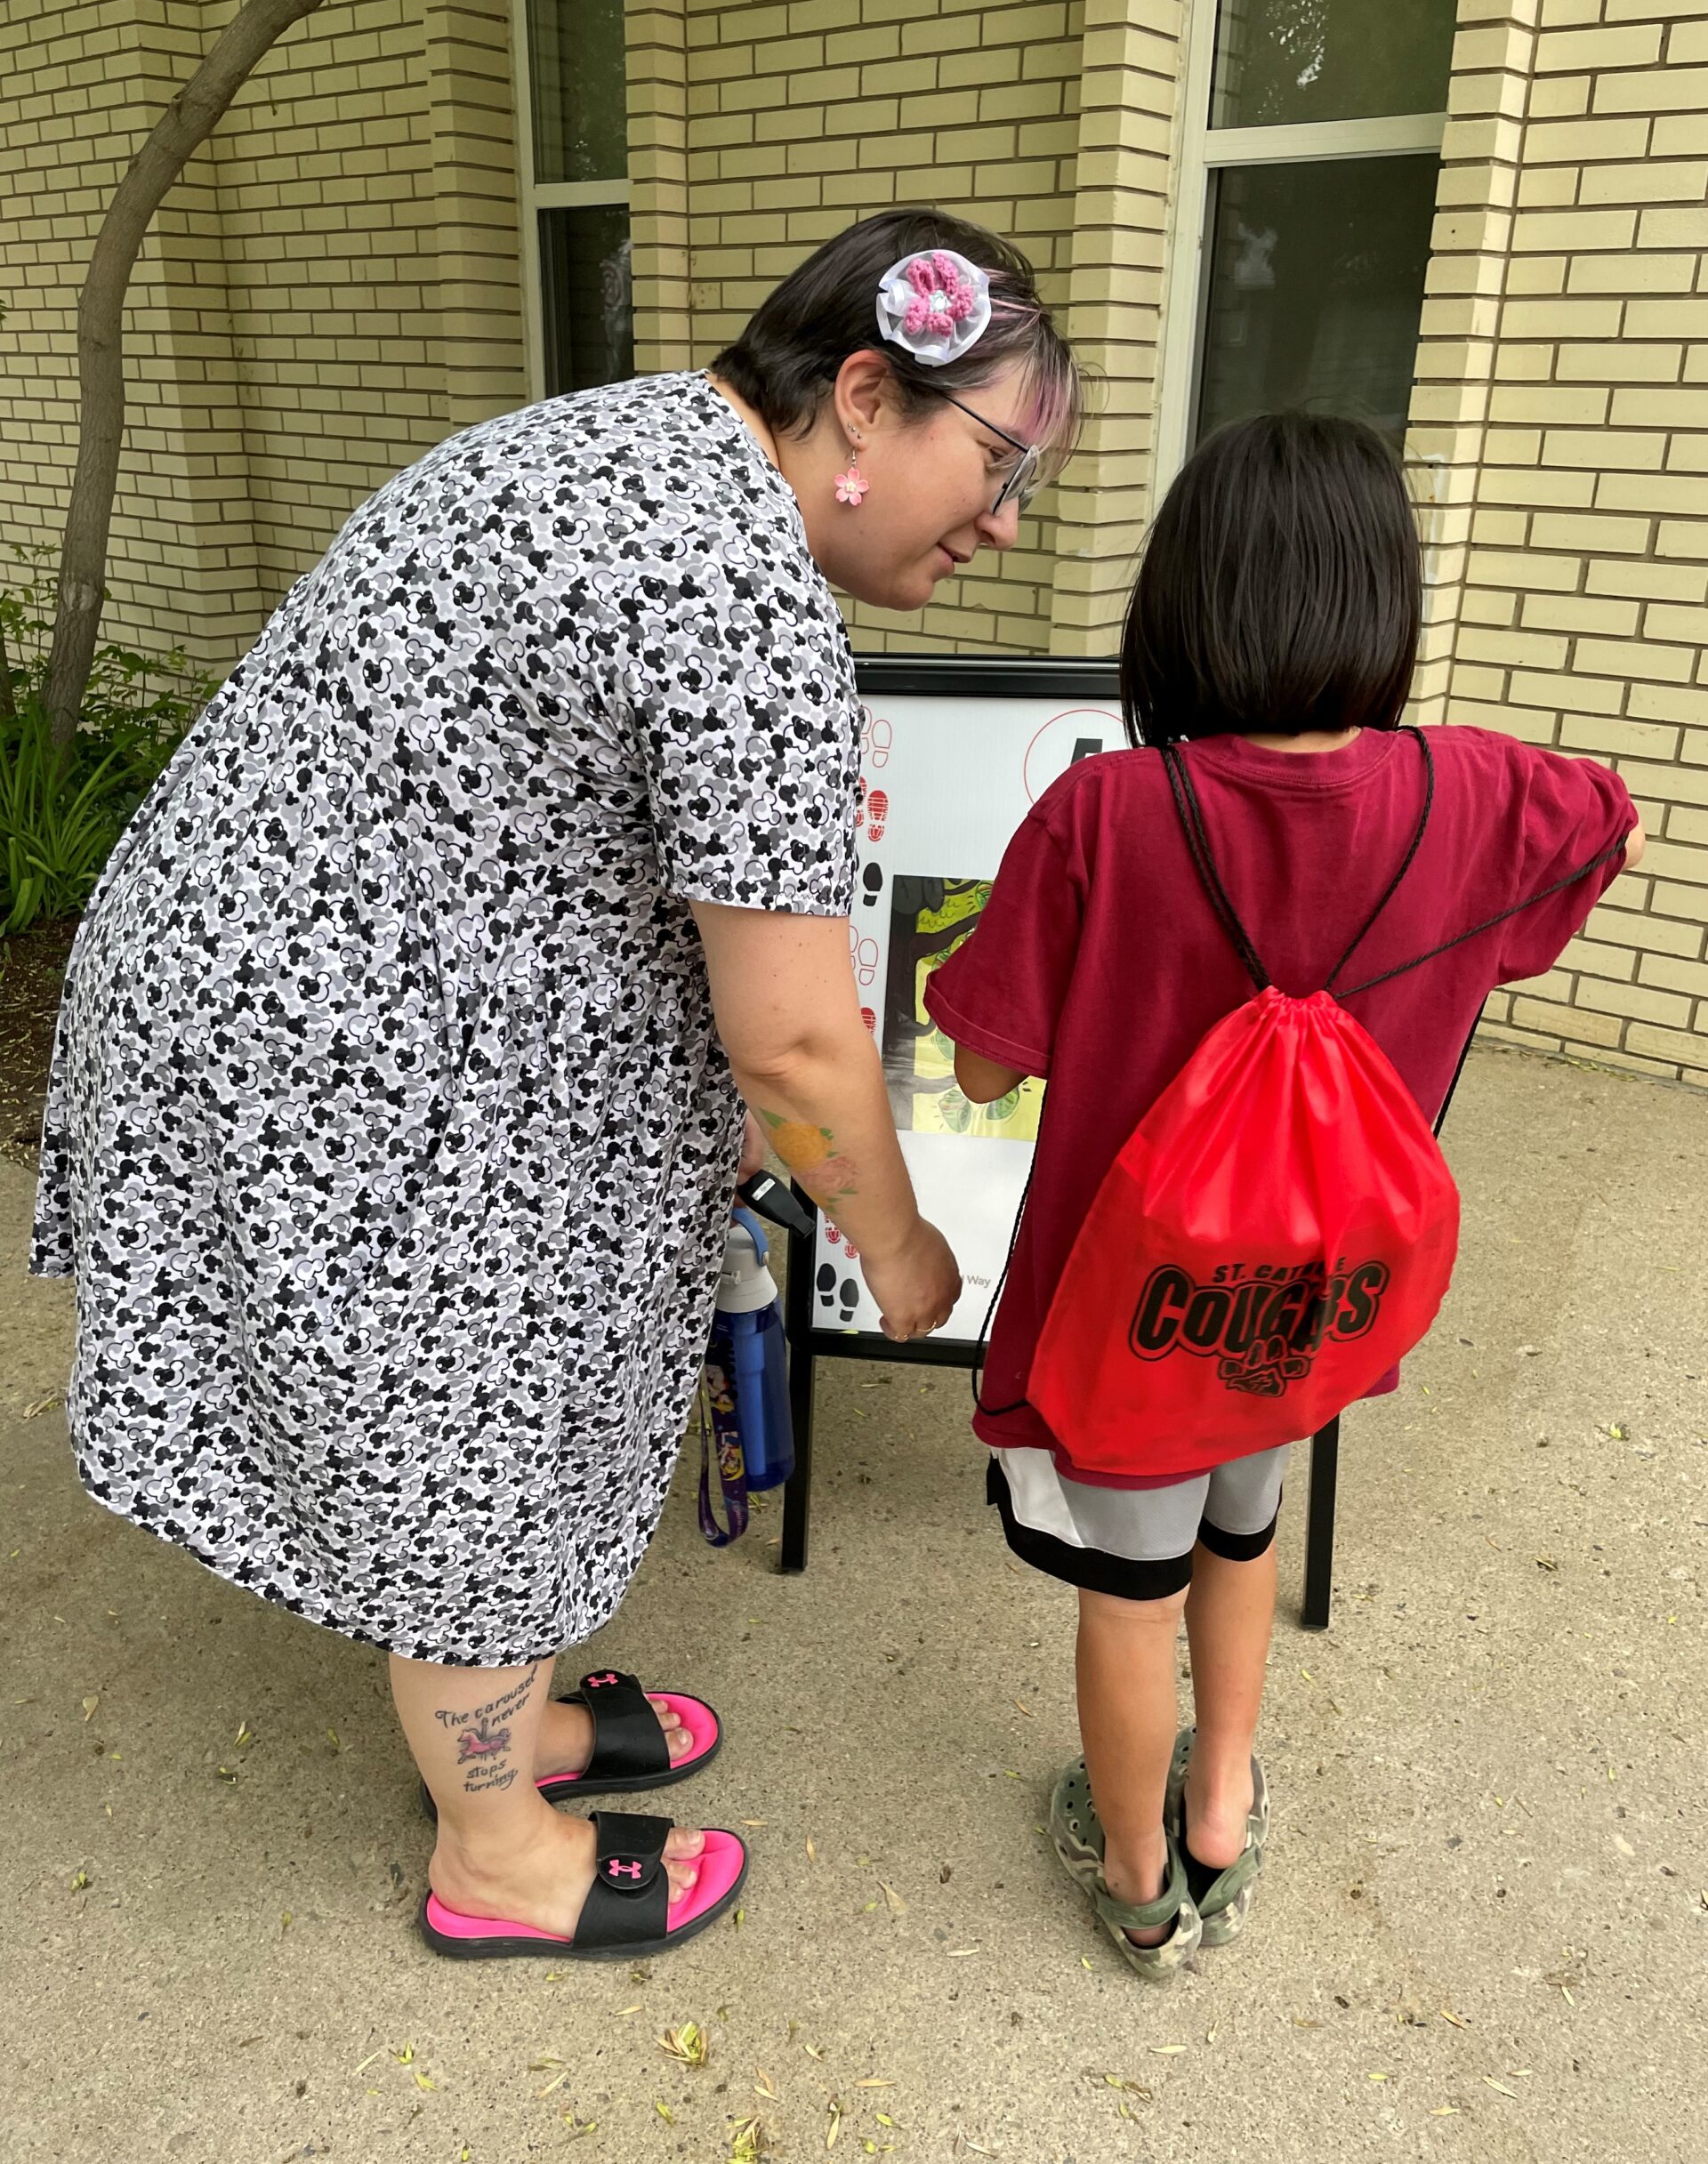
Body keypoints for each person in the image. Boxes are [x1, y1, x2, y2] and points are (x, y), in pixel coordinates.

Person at [29, 209, 1082, 1961]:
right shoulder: (744, 594)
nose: (1007, 520)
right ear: (865, 396)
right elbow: (795, 1038)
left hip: (291, 978)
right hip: (342, 1051)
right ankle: (496, 1846)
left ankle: (505, 1730)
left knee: (507, 1394)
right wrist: (898, 1248)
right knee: (473, 1425)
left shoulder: (629, 438)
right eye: (998, 462)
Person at [923, 413, 1643, 1978]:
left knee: (1131, 1588)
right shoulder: (1480, 793)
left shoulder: (1109, 813)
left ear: (1186, 600)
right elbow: (1605, 815)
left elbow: (980, 1069)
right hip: (1319, 1288)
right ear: (1385, 596)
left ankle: (1137, 1878)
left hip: (1139, 1304)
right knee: (1243, 1532)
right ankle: (1224, 1806)